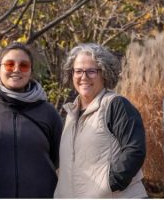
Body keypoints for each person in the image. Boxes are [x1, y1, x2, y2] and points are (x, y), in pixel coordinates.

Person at [54, 43, 147, 198]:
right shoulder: (71, 113)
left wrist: (110, 184)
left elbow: (135, 149)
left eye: (91, 71)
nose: (83, 77)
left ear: (104, 73)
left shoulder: (116, 105)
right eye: (78, 71)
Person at [0, 42, 63, 198]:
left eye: (24, 66)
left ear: (30, 72)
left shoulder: (47, 112)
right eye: (9, 65)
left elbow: (60, 160)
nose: (16, 69)